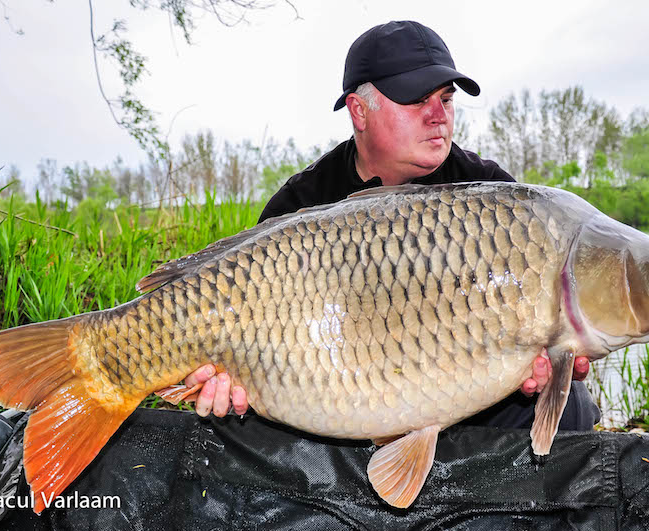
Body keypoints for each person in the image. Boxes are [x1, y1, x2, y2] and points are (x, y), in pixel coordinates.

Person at [181, 20, 599, 429]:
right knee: (242, 424)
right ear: (359, 111)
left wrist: (545, 367)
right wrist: (228, 383)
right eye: (418, 100)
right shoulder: (300, 204)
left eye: (447, 100)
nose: (438, 116)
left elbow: (549, 332)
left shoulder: (492, 197)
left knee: (572, 407)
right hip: (333, 400)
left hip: (464, 397)